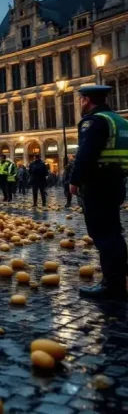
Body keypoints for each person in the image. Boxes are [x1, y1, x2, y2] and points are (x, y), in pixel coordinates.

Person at [69, 84, 128, 300]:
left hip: (97, 184)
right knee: (113, 232)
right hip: (116, 183)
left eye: (80, 100)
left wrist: (74, 181)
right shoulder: (120, 121)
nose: (79, 104)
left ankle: (112, 285)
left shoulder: (94, 122)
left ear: (86, 100)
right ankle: (120, 278)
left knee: (103, 235)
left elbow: (86, 154)